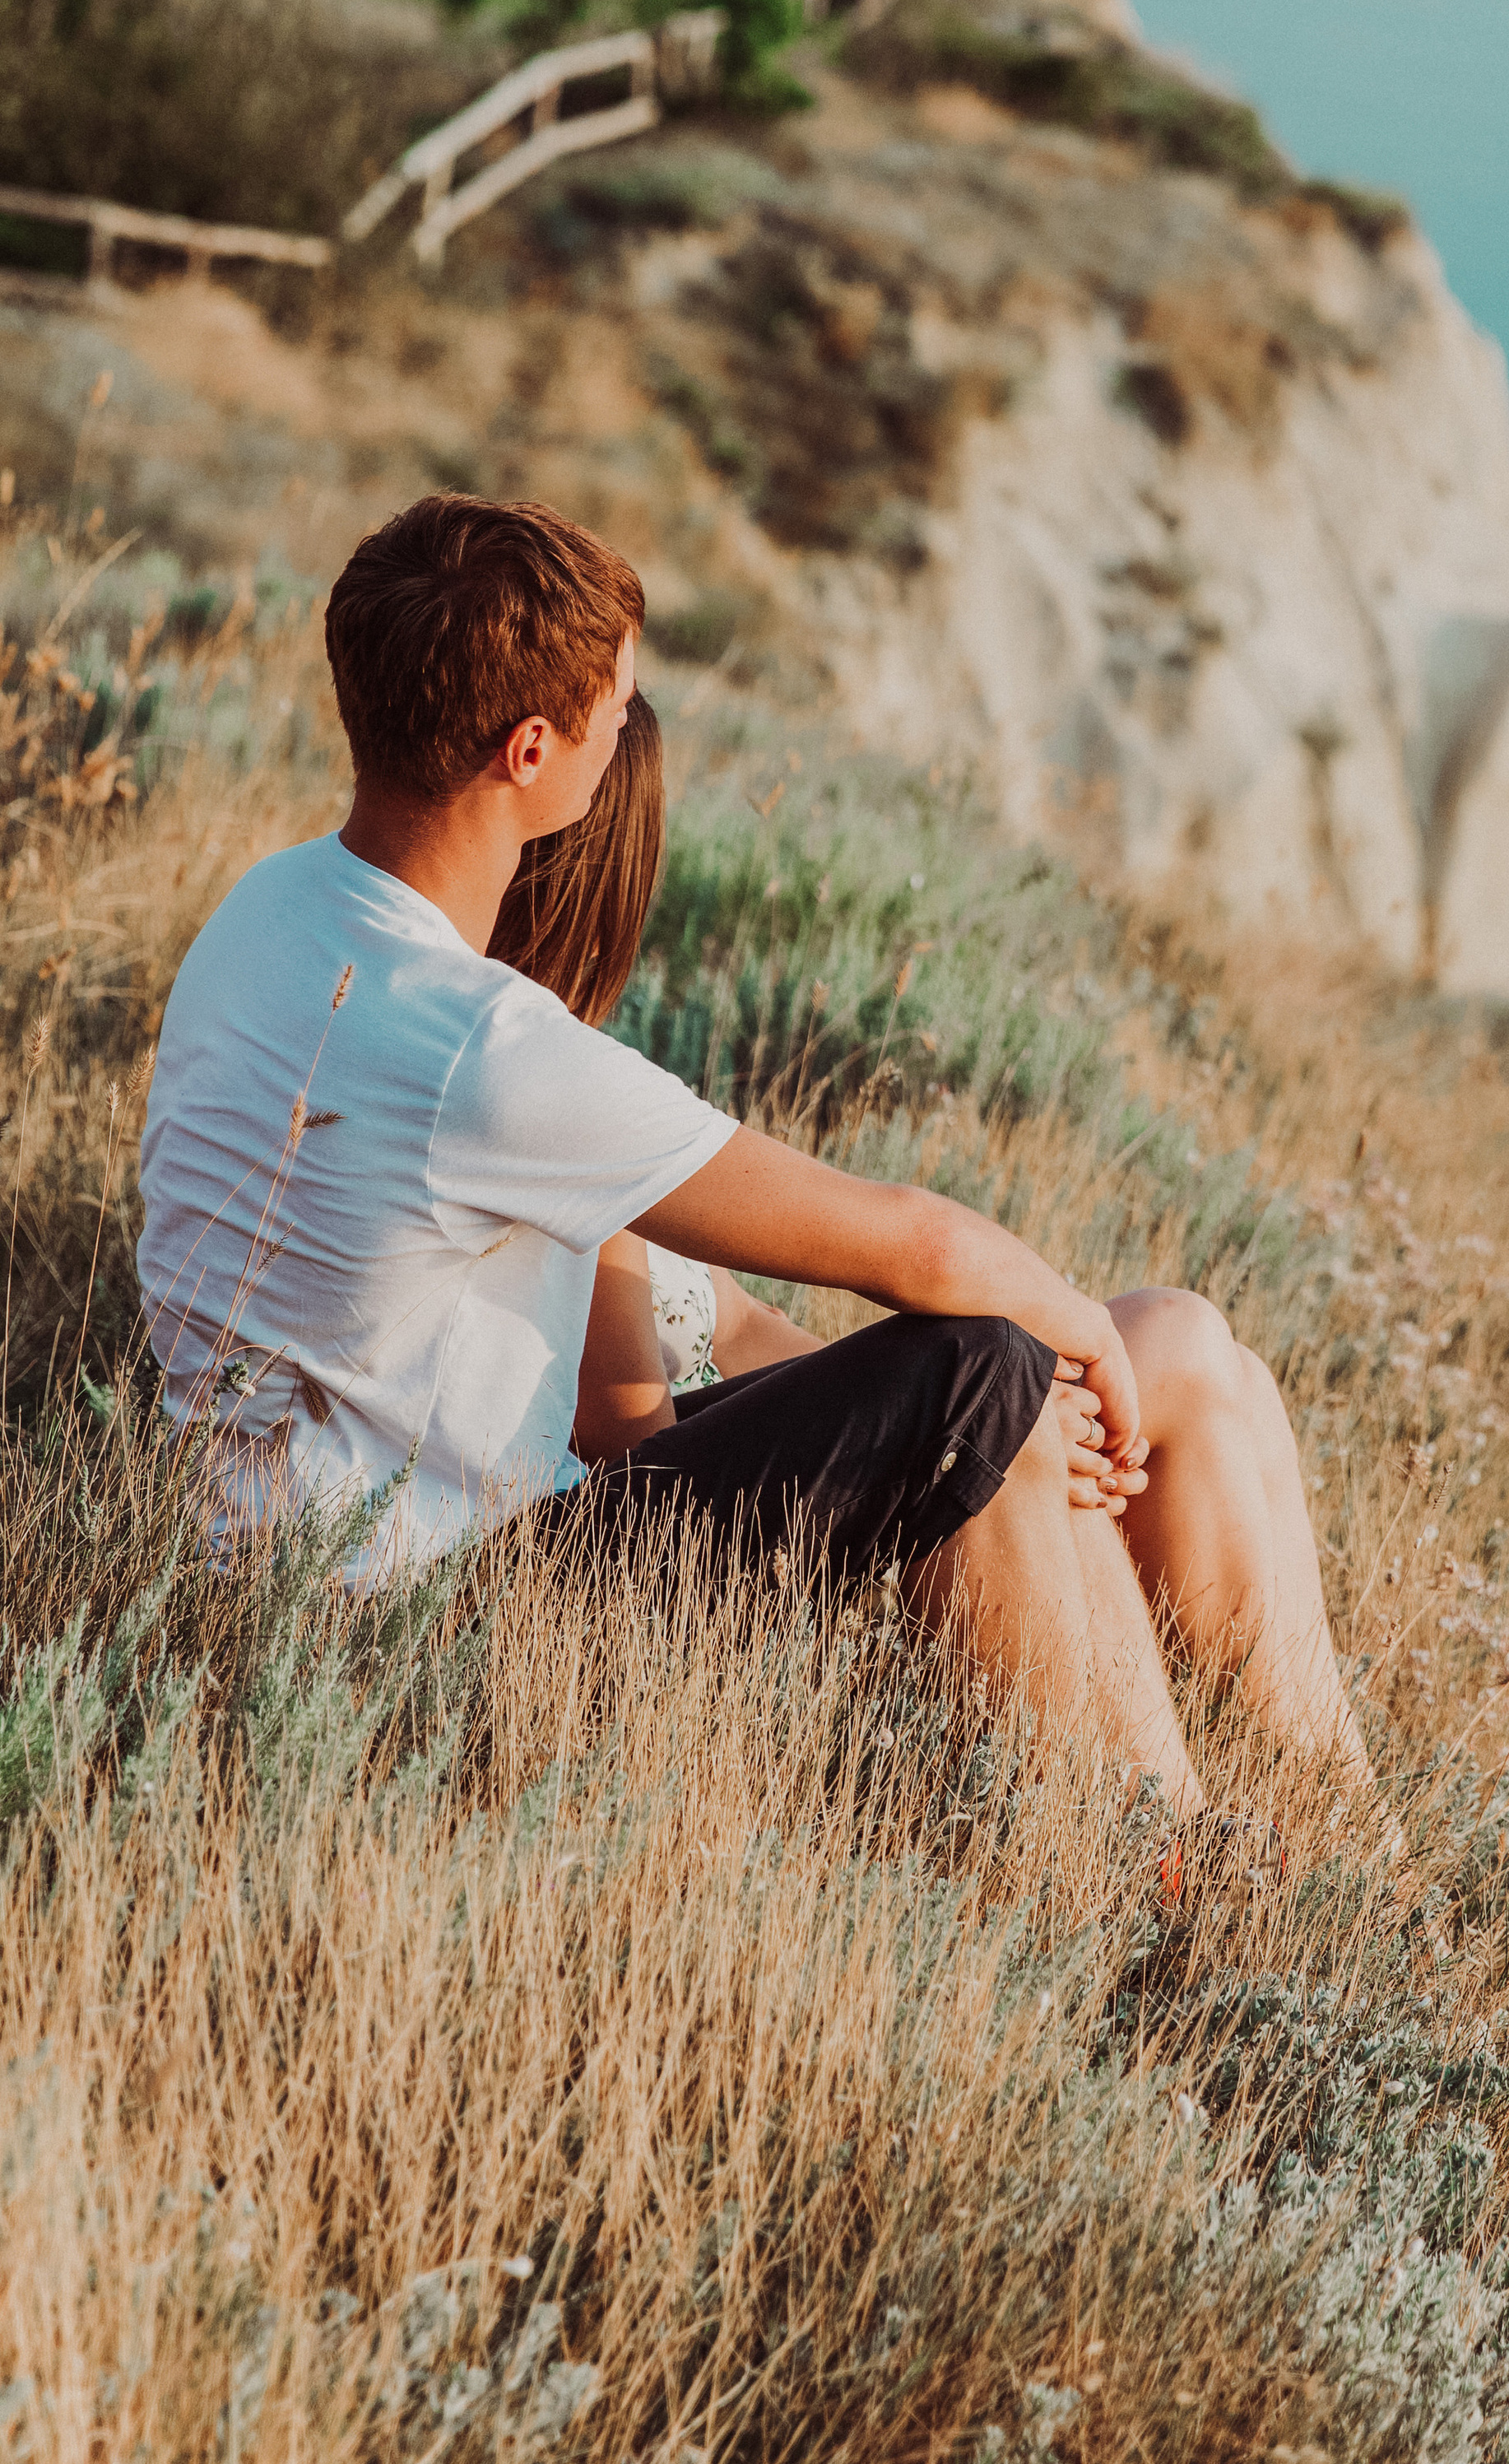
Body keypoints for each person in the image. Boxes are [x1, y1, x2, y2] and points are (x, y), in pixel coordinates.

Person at [138, 495, 1368, 1844]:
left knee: (1059, 1368)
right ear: (530, 750)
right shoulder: (478, 1045)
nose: (629, 724)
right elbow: (913, 1247)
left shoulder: (268, 909)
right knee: (980, 1368)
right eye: (613, 705)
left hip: (320, 1578)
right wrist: (1083, 1335)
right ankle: (1153, 1866)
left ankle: (1303, 1838)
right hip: (434, 1622)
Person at [490, 697, 1372, 1800]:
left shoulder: (570, 1067)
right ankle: (1184, 1847)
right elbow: (628, 1438)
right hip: (642, 1546)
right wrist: (952, 1432)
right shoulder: (538, 1092)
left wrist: (938, 1411)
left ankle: (1345, 1832)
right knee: (1018, 1395)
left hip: (731, 1469)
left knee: (1185, 1343)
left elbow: (741, 1326)